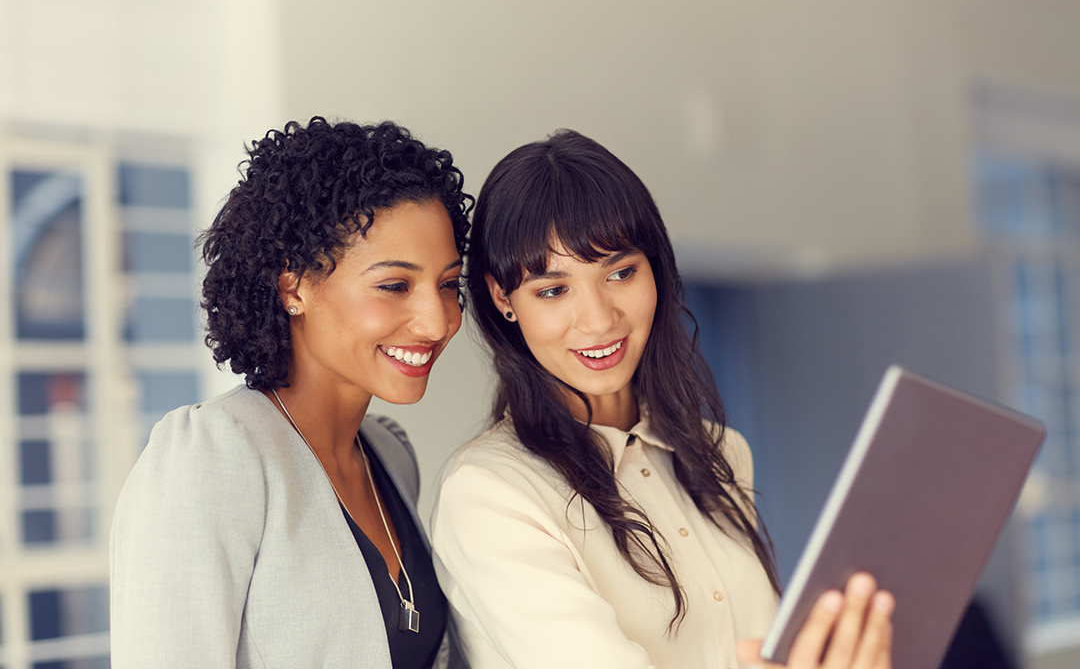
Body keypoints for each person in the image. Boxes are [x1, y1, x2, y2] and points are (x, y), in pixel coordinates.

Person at [429, 129, 894, 669]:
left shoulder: (720, 453)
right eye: (553, 290)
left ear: (656, 270)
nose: (600, 319)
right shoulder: (490, 491)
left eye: (621, 273)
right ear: (502, 298)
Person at [110, 117, 472, 669]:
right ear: (294, 285)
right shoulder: (211, 454)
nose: (436, 320)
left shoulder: (390, 456)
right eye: (394, 285)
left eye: (448, 285)